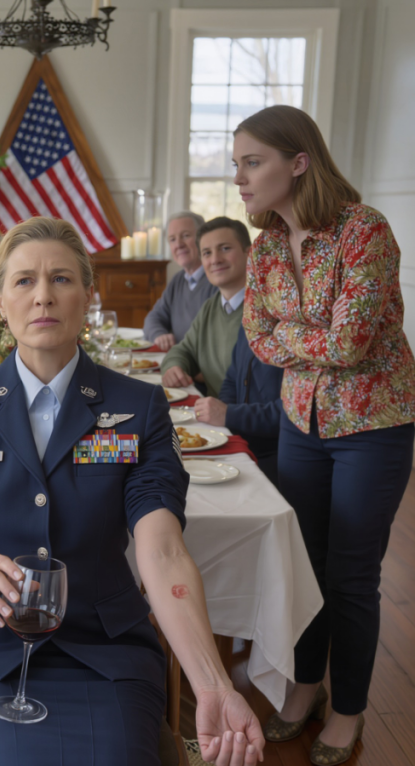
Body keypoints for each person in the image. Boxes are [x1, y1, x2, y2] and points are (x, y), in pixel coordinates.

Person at [0, 217, 264, 766]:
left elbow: (162, 549)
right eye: (23, 281)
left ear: (89, 294)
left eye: (62, 279)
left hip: (103, 652)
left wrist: (212, 683)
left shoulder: (140, 411)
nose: (43, 295)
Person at [237, 105, 415, 765]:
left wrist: (292, 339)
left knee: (349, 575)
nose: (241, 177)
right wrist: (297, 342)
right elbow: (258, 340)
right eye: (239, 164)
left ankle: (349, 709)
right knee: (302, 562)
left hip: (373, 423)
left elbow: (351, 340)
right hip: (300, 421)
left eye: (253, 162)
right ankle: (305, 686)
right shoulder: (263, 251)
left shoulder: (364, 230)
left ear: (298, 162)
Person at [161, 217, 250, 398]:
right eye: (207, 253)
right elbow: (184, 350)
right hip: (213, 417)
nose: (215, 260)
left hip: (241, 421)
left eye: (225, 248)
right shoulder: (212, 305)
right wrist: (173, 367)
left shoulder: (265, 310)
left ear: (249, 253)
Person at [193, 325, 283, 486]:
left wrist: (229, 414)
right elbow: (232, 378)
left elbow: (292, 412)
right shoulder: (249, 323)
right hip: (240, 440)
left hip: (274, 451)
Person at [142, 211, 218, 350]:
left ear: (203, 239)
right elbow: (153, 318)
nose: (179, 244)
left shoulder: (217, 281)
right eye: (172, 239)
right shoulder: (178, 280)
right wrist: (159, 334)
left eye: (186, 236)